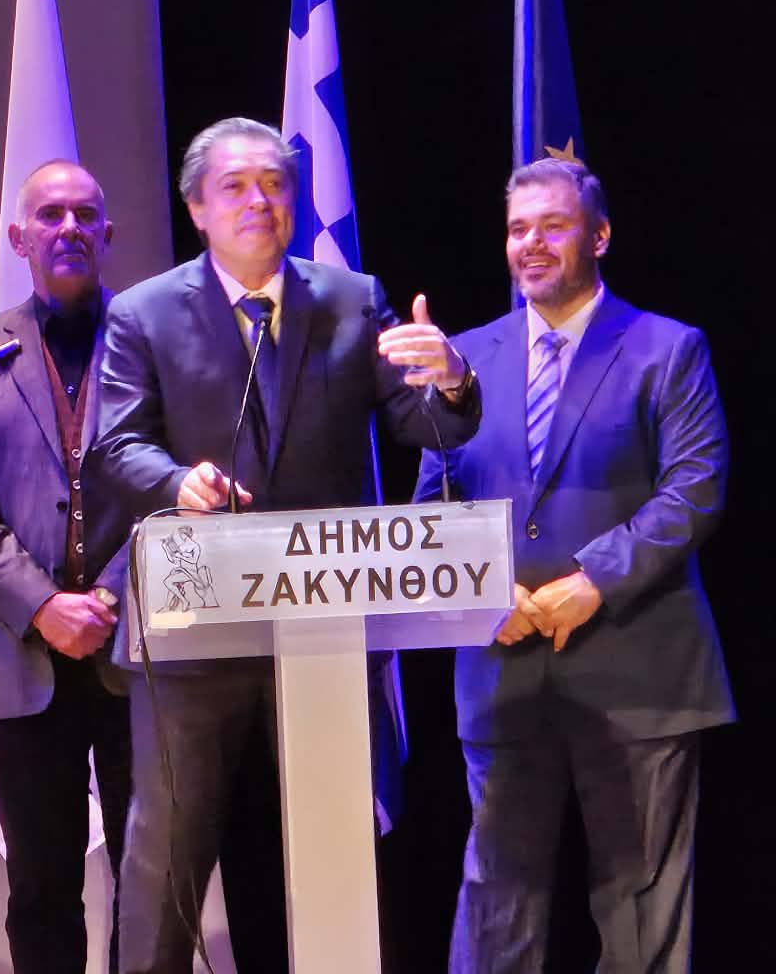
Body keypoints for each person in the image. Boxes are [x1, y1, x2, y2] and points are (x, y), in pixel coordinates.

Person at [92, 117, 481, 974]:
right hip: (193, 624)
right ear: (197, 208)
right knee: (166, 862)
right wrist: (177, 482)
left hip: (321, 627)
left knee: (337, 861)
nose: (259, 201)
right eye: (235, 186)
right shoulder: (143, 313)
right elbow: (115, 445)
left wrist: (451, 381)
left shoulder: (351, 298)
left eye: (275, 184)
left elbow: (421, 424)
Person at [414, 159, 730, 974]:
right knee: (497, 908)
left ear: (599, 235)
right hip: (504, 672)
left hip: (639, 673)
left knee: (641, 915)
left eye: (553, 225)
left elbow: (694, 489)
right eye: (518, 229)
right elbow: (432, 506)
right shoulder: (462, 362)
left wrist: (595, 580)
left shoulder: (668, 348)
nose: (532, 243)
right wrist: (482, 593)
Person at [0, 160, 136, 974]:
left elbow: (172, 493)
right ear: (19, 238)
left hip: (138, 652)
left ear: (108, 235)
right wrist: (45, 606)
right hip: (24, 659)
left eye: (85, 215)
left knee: (151, 880)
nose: (69, 229)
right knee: (41, 891)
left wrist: (110, 597)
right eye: (50, 215)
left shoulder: (149, 342)